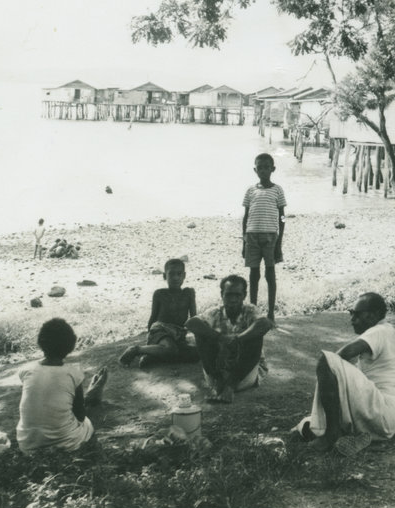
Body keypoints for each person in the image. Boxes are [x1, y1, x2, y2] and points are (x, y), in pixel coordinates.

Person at [297, 293, 395, 457]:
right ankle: (355, 437)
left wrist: (330, 373)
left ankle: (332, 435)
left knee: (326, 361)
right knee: (306, 425)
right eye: (351, 314)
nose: (352, 320)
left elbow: (344, 354)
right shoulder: (385, 332)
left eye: (357, 314)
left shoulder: (380, 330)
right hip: (384, 419)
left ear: (374, 315)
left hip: (382, 409)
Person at [16, 318, 107, 452]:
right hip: (65, 444)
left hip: (27, 444)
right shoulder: (73, 374)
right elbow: (80, 415)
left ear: (41, 342)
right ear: (70, 346)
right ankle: (92, 398)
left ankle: (91, 396)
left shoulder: (25, 370)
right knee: (88, 423)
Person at [185, 275, 274, 403]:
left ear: (244, 295)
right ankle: (219, 383)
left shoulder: (250, 311)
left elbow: (266, 323)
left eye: (237, 295)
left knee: (255, 337)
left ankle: (229, 387)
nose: (233, 300)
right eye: (229, 295)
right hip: (216, 373)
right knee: (201, 334)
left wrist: (238, 339)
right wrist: (220, 338)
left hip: (243, 374)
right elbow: (191, 323)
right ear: (222, 295)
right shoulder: (215, 312)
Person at [120, 258, 197, 368]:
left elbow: (194, 318)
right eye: (171, 274)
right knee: (171, 349)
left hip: (178, 334)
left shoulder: (188, 293)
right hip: (160, 331)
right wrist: (150, 339)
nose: (175, 277)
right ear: (165, 276)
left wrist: (199, 336)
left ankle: (153, 356)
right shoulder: (159, 294)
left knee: (195, 354)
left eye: (179, 274)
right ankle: (137, 350)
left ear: (184, 275)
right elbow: (153, 317)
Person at [242, 153, 286, 320]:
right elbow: (246, 217)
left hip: (270, 237)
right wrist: (243, 240)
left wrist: (279, 242)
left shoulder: (277, 190)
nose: (263, 170)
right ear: (255, 170)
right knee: (254, 274)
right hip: (251, 236)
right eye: (259, 167)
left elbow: (282, 216)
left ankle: (270, 313)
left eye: (266, 167)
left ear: (272, 169)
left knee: (270, 273)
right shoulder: (250, 191)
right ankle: (253, 311)